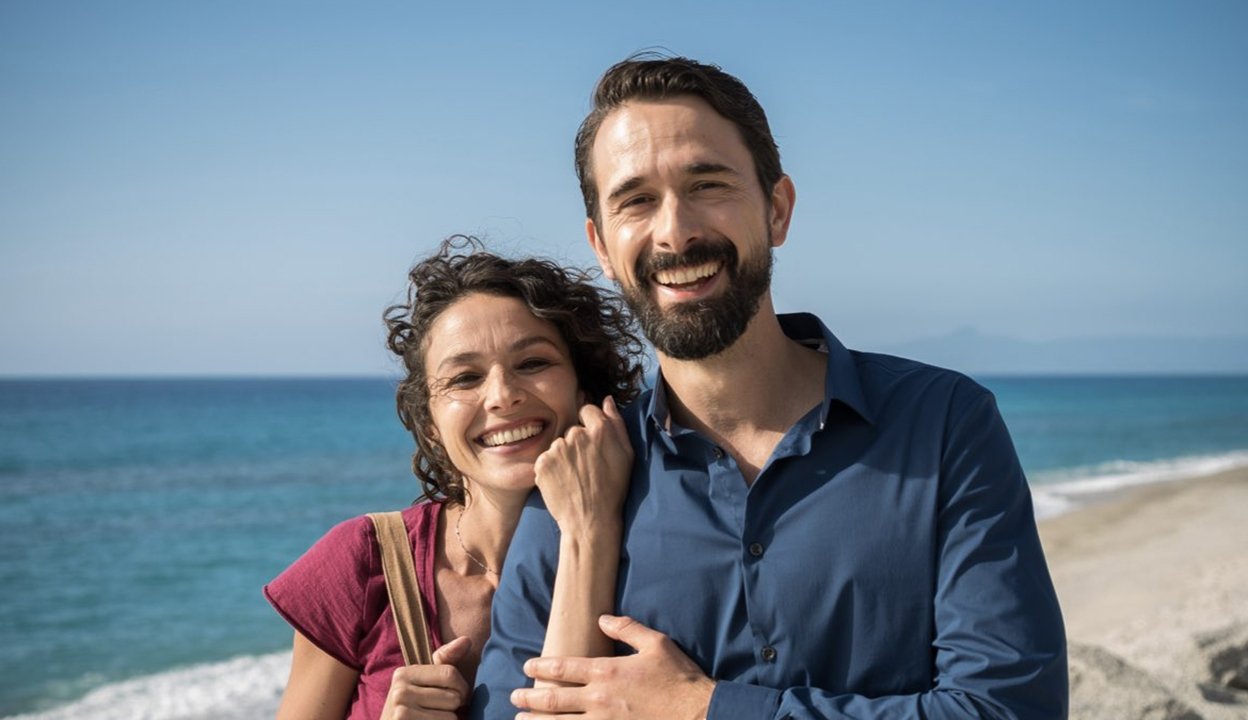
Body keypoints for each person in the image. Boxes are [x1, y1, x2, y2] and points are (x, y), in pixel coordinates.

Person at [472, 56, 1069, 719]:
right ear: (602, 248)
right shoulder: (572, 490)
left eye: (708, 184)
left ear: (777, 210)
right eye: (637, 200)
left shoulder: (943, 425)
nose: (675, 229)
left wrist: (706, 709)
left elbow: (1011, 709)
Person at [265, 237, 644, 719]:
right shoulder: (362, 562)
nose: (503, 396)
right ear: (430, 424)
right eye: (465, 378)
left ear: (584, 389)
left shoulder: (647, 548)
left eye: (532, 363)